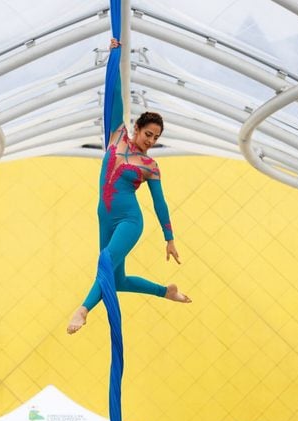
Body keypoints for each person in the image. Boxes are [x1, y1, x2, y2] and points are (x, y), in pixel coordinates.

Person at [66, 37, 190, 335]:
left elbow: (160, 202)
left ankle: (82, 310)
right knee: (117, 280)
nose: (151, 141)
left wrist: (169, 238)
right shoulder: (116, 134)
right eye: (148, 134)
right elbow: (115, 94)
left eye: (156, 138)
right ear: (136, 128)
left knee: (105, 260)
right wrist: (114, 56)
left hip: (129, 221)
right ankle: (166, 291)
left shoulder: (150, 167)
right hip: (105, 217)